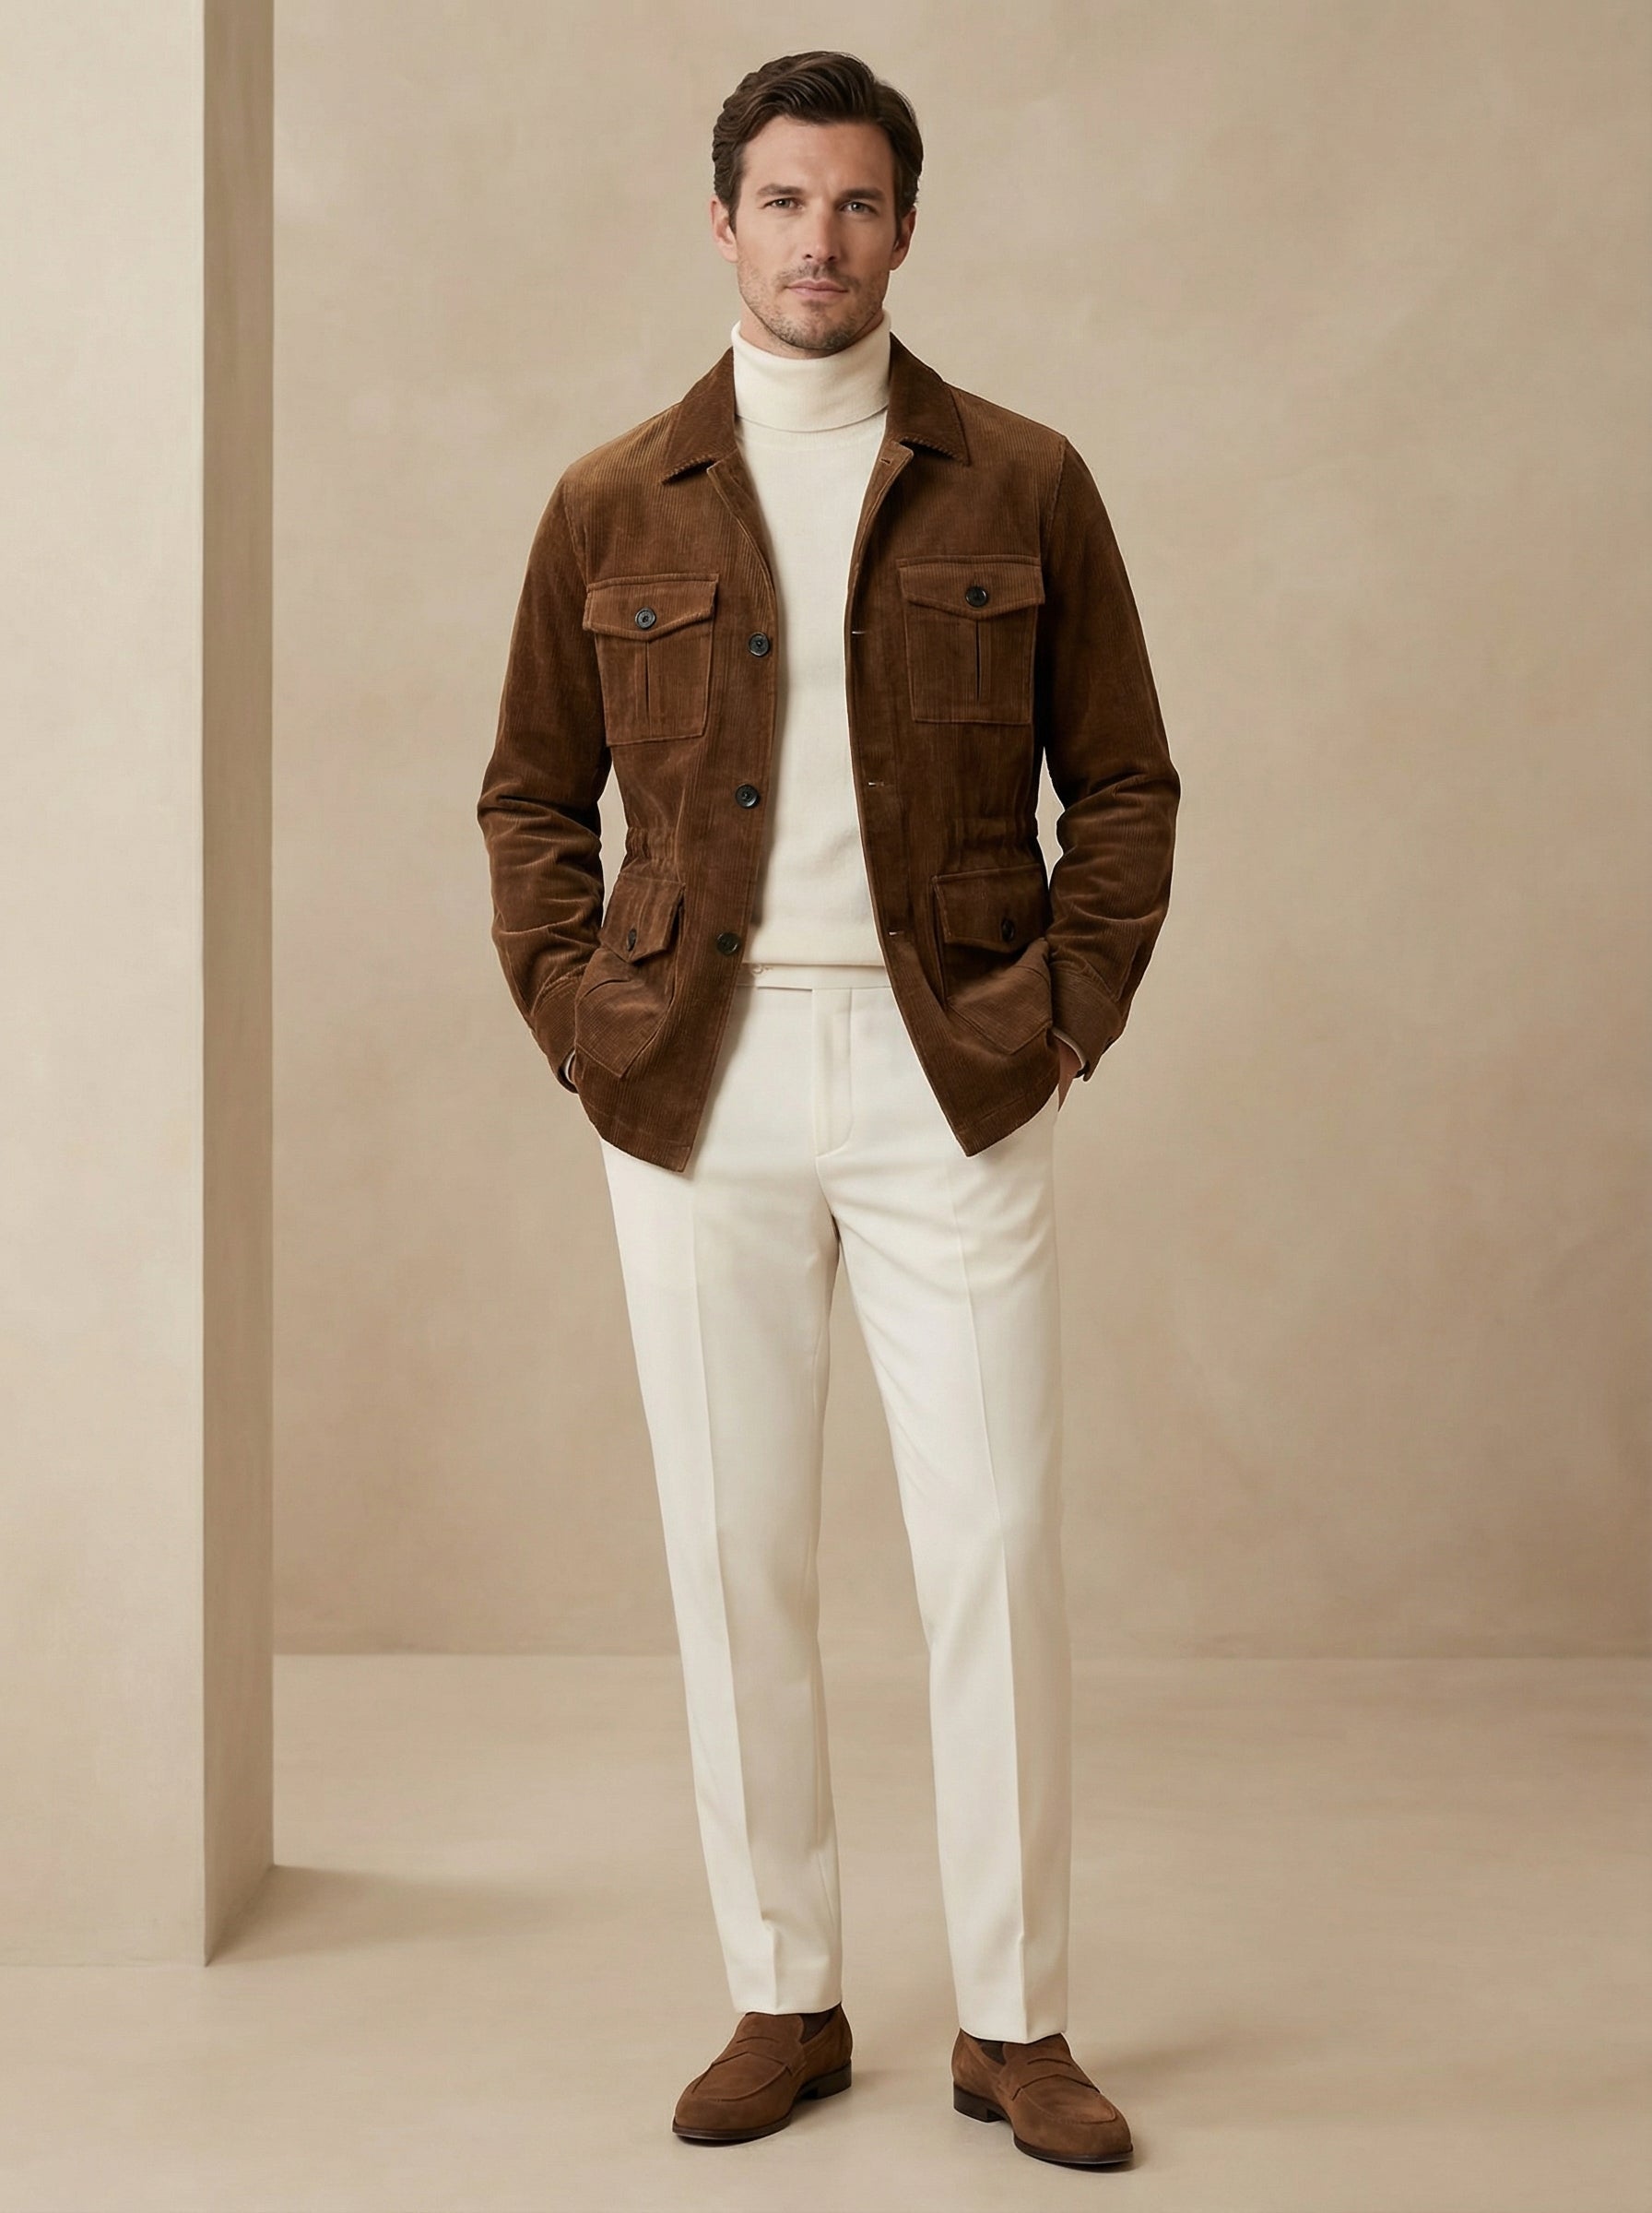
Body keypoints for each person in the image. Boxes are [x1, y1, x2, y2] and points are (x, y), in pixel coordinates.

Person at [477, 49, 1178, 2170]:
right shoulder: (610, 500)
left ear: (904, 227)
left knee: (995, 1547)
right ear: (722, 222)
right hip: (692, 1083)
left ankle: (1014, 2022)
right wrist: (578, 1024)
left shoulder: (1022, 480)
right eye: (781, 200)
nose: (818, 239)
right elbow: (530, 798)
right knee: (731, 1555)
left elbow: (1121, 782)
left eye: (855, 202)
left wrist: (1060, 1020)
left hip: (950, 1070)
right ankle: (783, 1991)